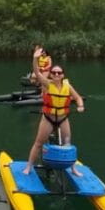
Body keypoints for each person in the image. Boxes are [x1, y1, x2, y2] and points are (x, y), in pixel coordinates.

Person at [22, 47, 85, 176]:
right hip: (48, 118)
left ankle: (73, 169)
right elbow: (37, 73)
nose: (56, 75)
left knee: (68, 144)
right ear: (51, 74)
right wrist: (35, 58)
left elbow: (78, 98)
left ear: (63, 75)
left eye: (59, 73)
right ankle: (29, 166)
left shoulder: (67, 86)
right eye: (54, 72)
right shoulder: (47, 84)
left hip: (63, 118)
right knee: (38, 143)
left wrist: (80, 106)